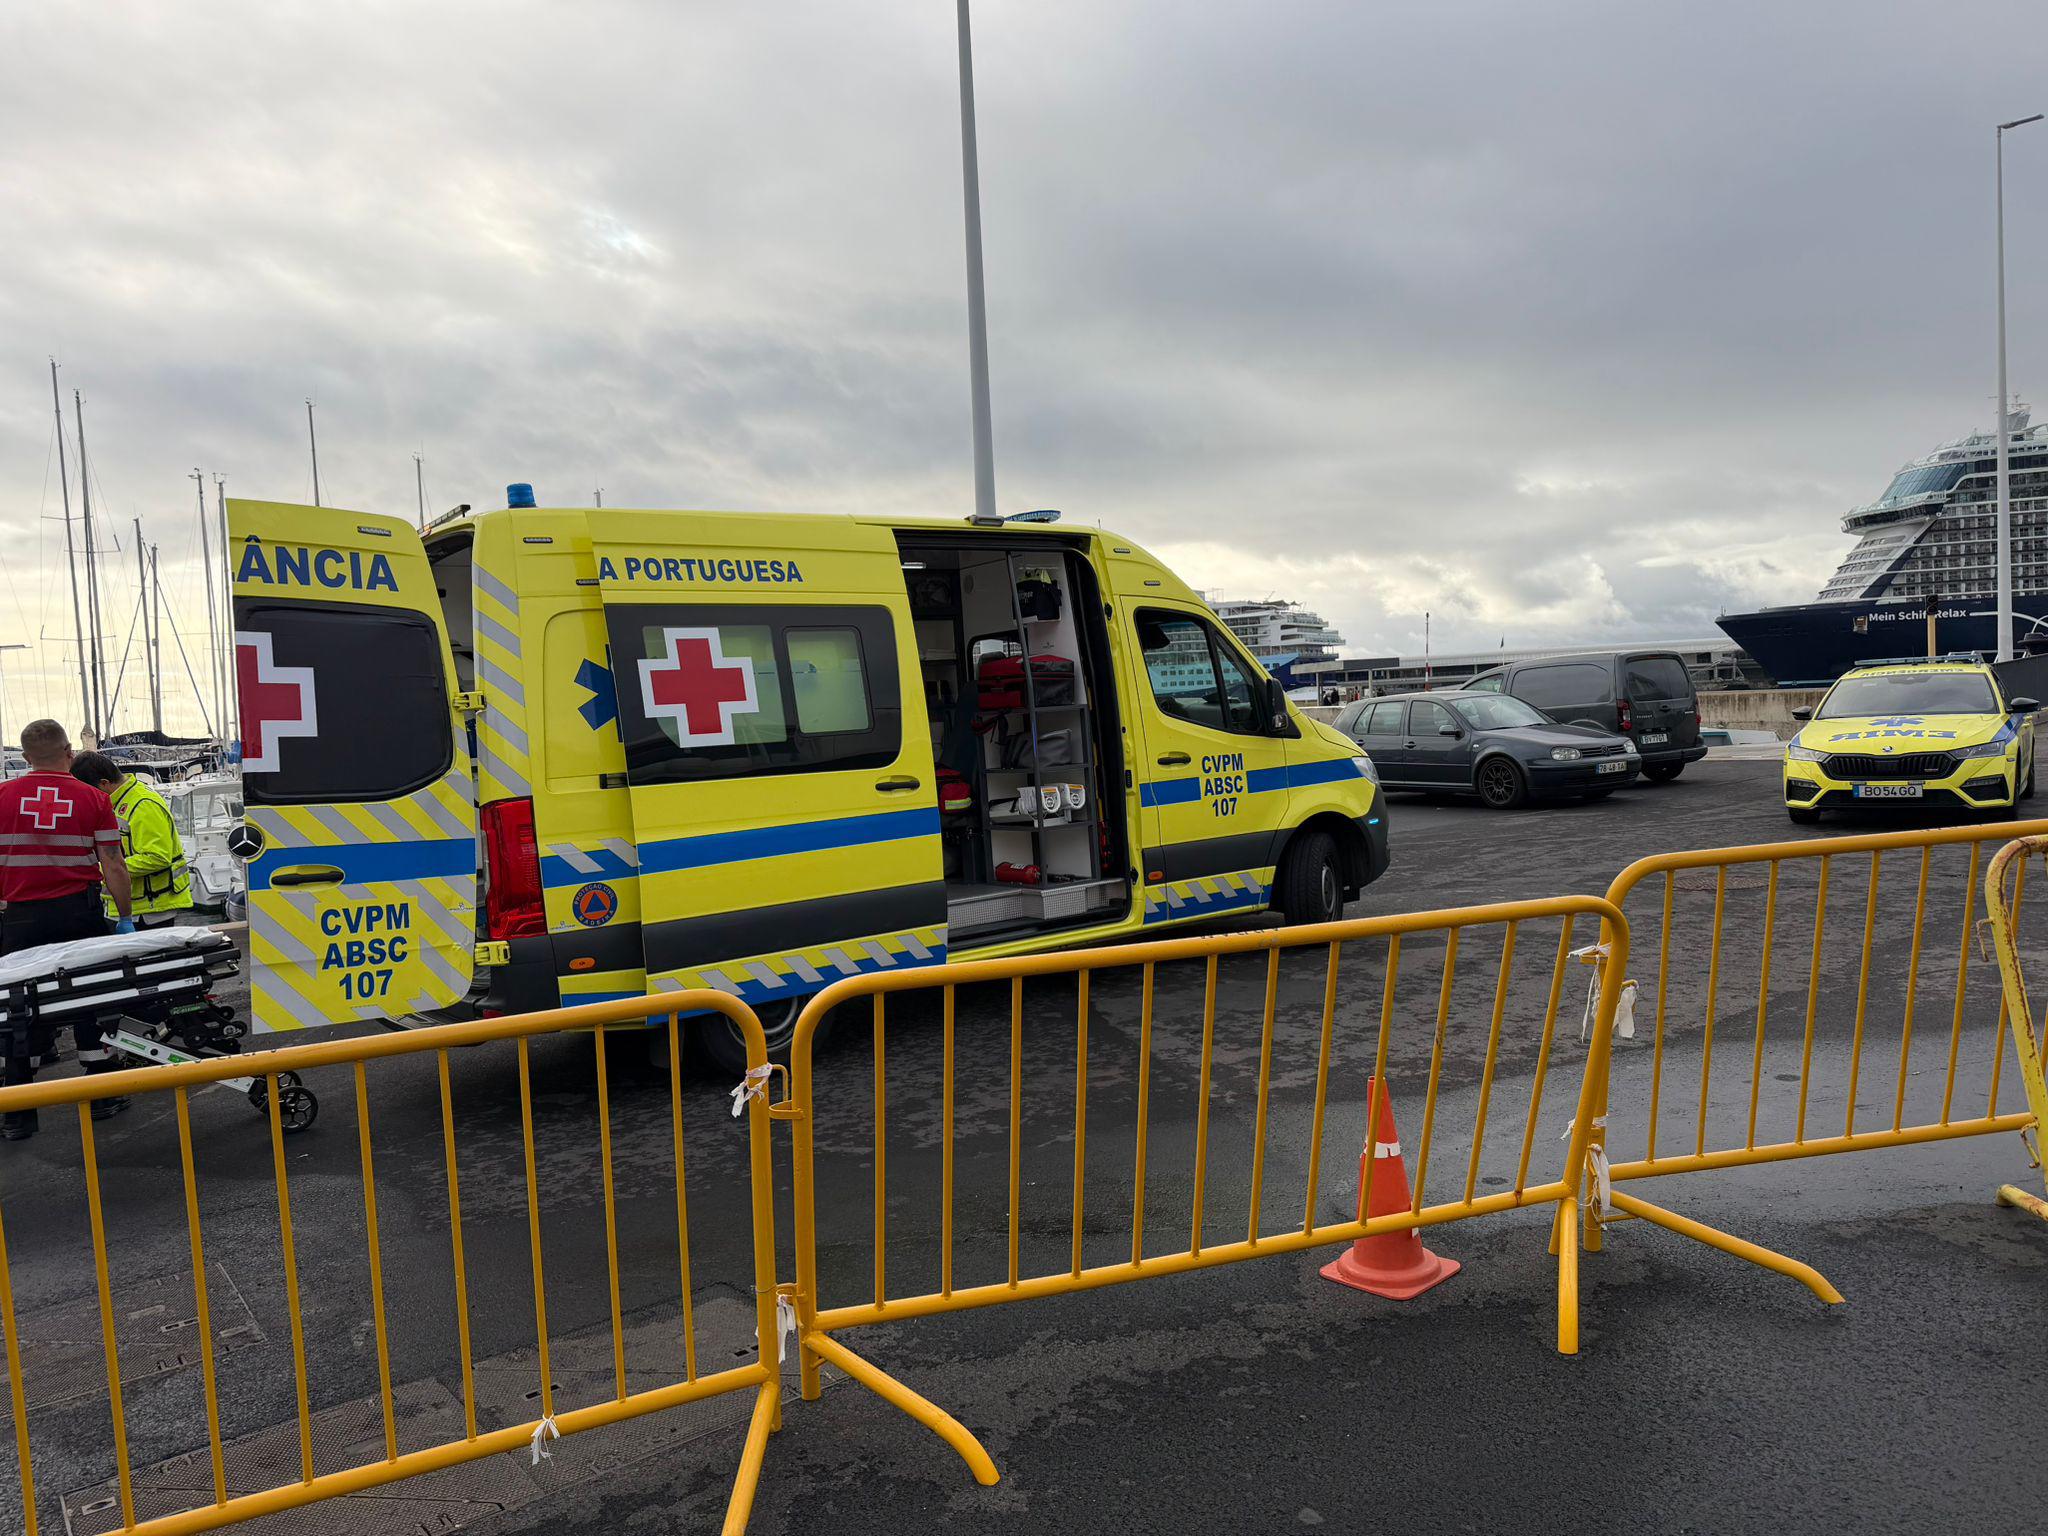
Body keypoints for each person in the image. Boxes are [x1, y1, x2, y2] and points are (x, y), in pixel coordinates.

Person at [0, 720, 136, 1139]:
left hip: (18, 918)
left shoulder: (2, 796)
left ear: (25, 758)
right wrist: (126, 918)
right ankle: (99, 1092)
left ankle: (17, 1110)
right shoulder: (94, 798)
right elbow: (113, 863)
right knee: (88, 995)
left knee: (18, 1005)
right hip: (78, 912)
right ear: (68, 753)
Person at [70, 753, 193, 927]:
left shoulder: (143, 805)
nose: (86, 798)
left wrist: (104, 869)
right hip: (127, 908)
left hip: (147, 911)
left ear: (104, 783)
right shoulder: (116, 803)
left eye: (88, 792)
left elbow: (157, 856)